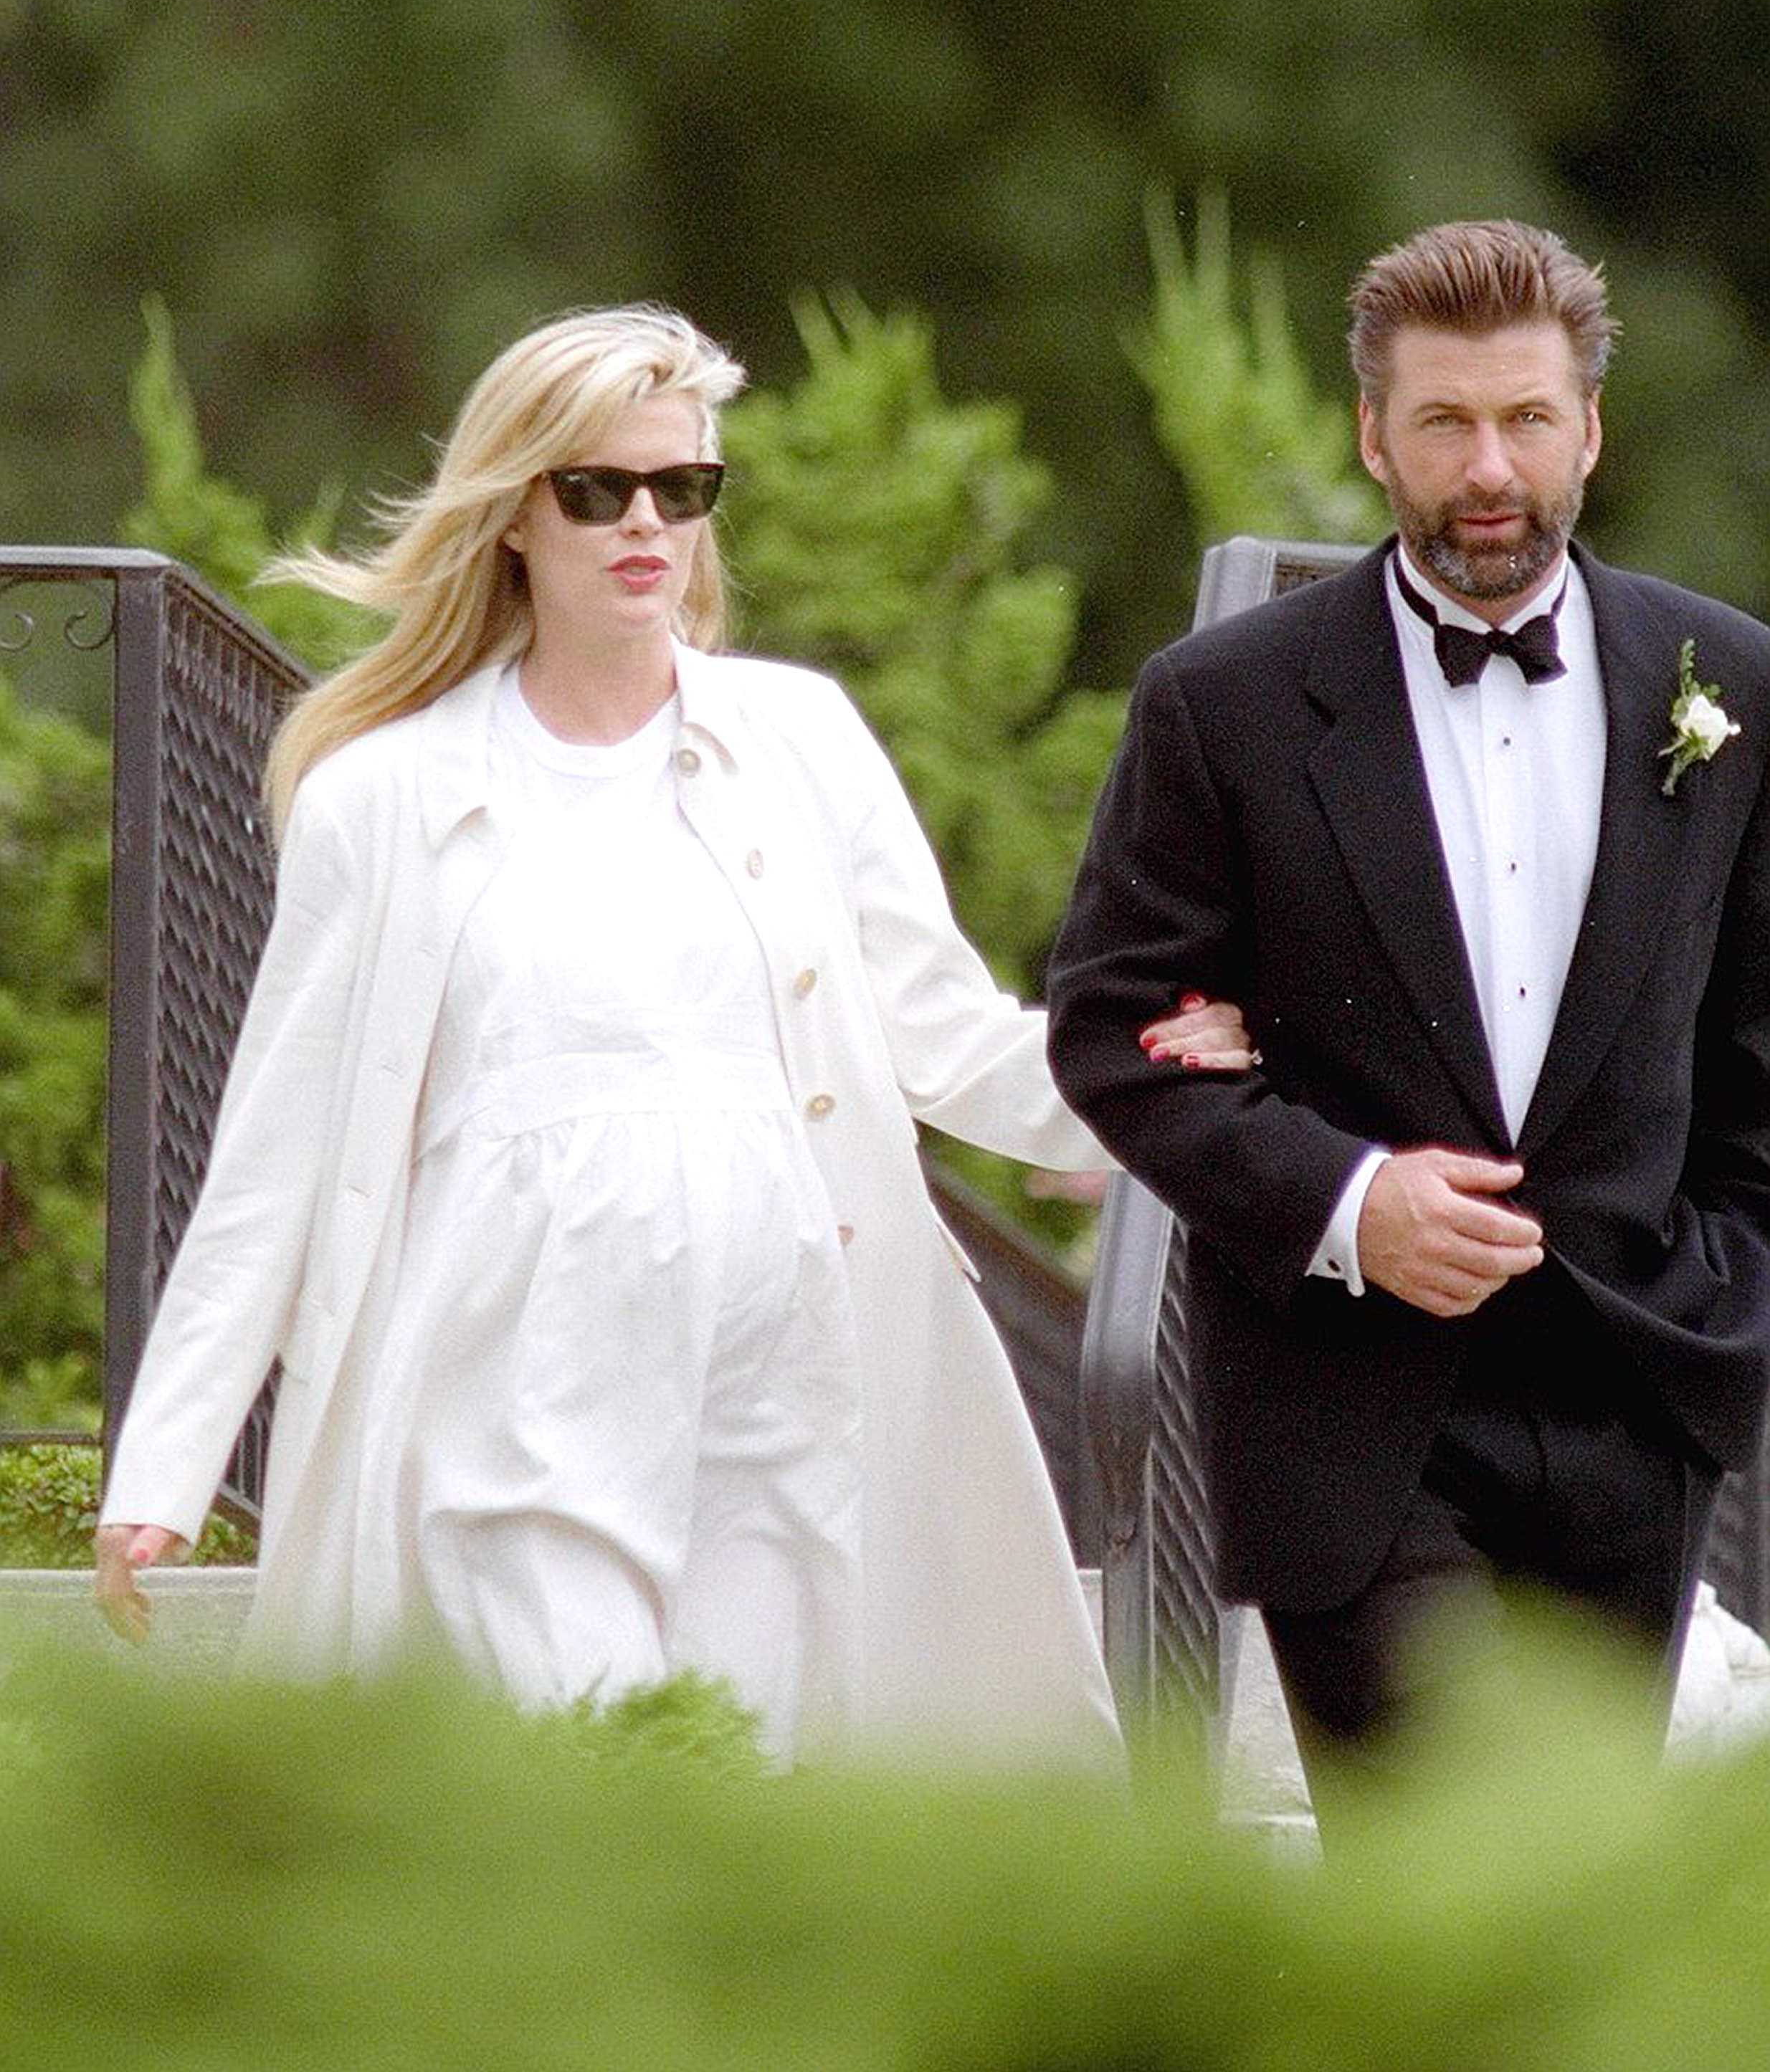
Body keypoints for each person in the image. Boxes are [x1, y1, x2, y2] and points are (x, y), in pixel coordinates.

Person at [95, 304, 1248, 1764]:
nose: (646, 523)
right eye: (597, 489)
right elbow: (277, 1149)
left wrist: (1155, 1075)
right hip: (507, 1367)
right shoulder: (377, 798)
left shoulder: (797, 738)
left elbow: (942, 1037)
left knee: (738, 1771)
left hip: (782, 1363)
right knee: (577, 1745)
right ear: (515, 510)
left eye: (682, 488)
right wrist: (169, 1458)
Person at [1047, 220, 1770, 1810]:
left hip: (1634, 1396)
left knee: (1566, 1914)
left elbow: (1754, 1055)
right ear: (1370, 434)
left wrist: (1725, 1279)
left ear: (1588, 426)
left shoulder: (1730, 685)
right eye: (1441, 423)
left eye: (1523, 418)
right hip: (1347, 1417)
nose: (1486, 467)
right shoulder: (1217, 703)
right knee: (1433, 1865)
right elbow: (1112, 1021)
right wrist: (1344, 1199)